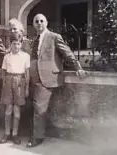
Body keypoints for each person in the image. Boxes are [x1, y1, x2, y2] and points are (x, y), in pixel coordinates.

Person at [26, 14, 86, 147]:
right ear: (34, 24)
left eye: (42, 21)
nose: (39, 23)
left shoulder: (54, 37)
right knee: (35, 107)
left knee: (39, 108)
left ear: (46, 22)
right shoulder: (34, 39)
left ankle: (37, 137)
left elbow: (67, 52)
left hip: (47, 78)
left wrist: (77, 67)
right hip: (34, 78)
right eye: (37, 21)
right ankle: (36, 133)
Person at [0, 32, 30, 145]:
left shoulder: (26, 56)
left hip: (20, 81)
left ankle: (15, 134)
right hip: (8, 81)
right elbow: (3, 71)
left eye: (18, 44)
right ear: (10, 44)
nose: (16, 46)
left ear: (21, 44)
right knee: (8, 109)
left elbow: (27, 73)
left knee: (17, 110)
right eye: (14, 44)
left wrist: (26, 88)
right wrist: (4, 86)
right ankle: (7, 133)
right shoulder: (7, 56)